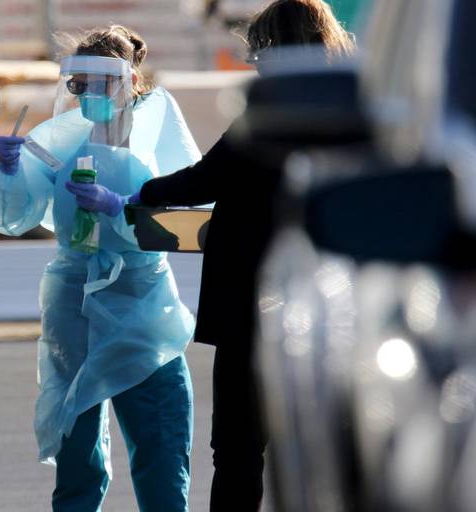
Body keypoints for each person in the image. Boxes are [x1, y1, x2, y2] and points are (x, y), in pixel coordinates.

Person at [125, 1, 355, 510]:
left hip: (251, 308)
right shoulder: (350, 112)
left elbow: (204, 178)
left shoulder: (270, 115)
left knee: (238, 449)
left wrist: (138, 194)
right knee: (328, 449)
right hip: (330, 310)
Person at [0, 25, 202, 512]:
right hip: (75, 297)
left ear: (126, 81)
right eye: (75, 85)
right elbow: (13, 215)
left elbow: (189, 211)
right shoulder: (65, 138)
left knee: (160, 445)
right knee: (77, 446)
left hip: (140, 302)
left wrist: (122, 207)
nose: (83, 95)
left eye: (94, 84)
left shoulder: (155, 130)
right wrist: (10, 172)